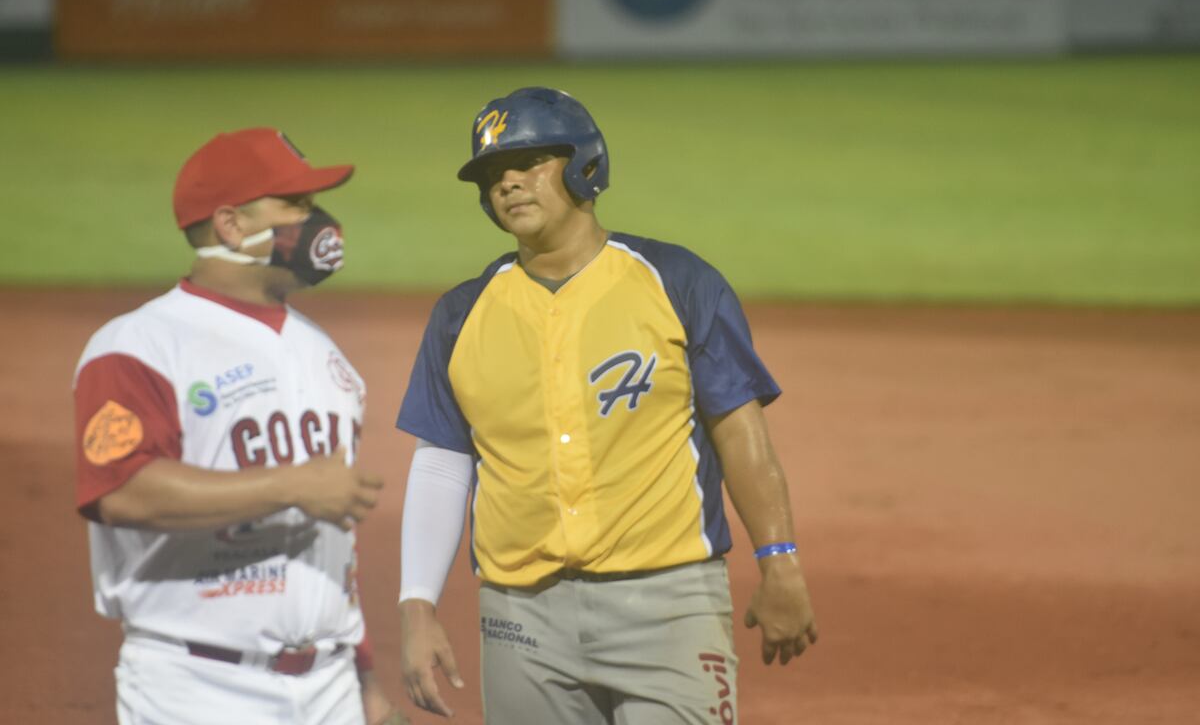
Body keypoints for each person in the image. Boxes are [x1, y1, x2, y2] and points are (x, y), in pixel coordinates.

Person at [395, 87, 817, 723]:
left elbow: (738, 430)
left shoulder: (676, 282)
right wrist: (417, 605)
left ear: (582, 164)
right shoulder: (461, 315)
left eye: (527, 161)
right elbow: (441, 463)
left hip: (670, 605)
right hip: (519, 618)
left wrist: (779, 562)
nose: (507, 183)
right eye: (491, 175)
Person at [73, 128, 407, 725]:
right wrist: (290, 485)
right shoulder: (140, 345)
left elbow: (334, 543)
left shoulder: (327, 357)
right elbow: (120, 490)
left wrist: (364, 677)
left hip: (330, 684)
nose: (318, 222)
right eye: (295, 205)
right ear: (230, 225)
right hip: (198, 687)